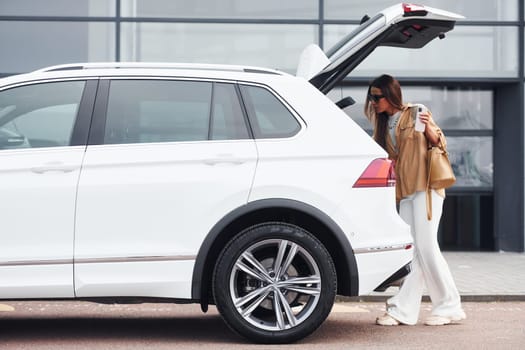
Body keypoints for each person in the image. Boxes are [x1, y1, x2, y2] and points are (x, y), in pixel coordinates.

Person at [364, 74, 466, 326]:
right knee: (413, 251)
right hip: (407, 191)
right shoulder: (383, 124)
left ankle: (447, 306)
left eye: (377, 96)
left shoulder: (416, 112)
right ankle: (408, 310)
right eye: (371, 97)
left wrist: (429, 127)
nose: (374, 101)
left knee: (426, 247)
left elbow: (439, 143)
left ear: (391, 95)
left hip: (427, 188)